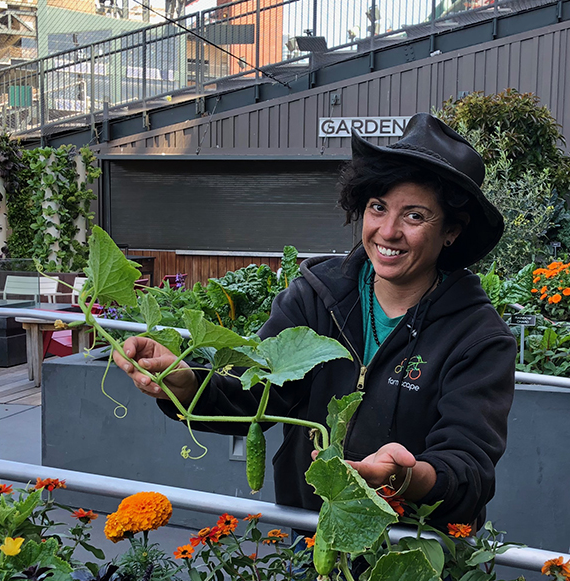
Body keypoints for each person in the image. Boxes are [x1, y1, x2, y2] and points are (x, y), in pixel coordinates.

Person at [115, 113, 516, 528]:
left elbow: (469, 471)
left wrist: (405, 477)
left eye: (415, 216)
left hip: (411, 551)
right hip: (310, 533)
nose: (388, 231)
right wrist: (186, 382)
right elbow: (257, 389)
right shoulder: (316, 295)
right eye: (378, 207)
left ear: (451, 231)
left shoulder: (478, 338)